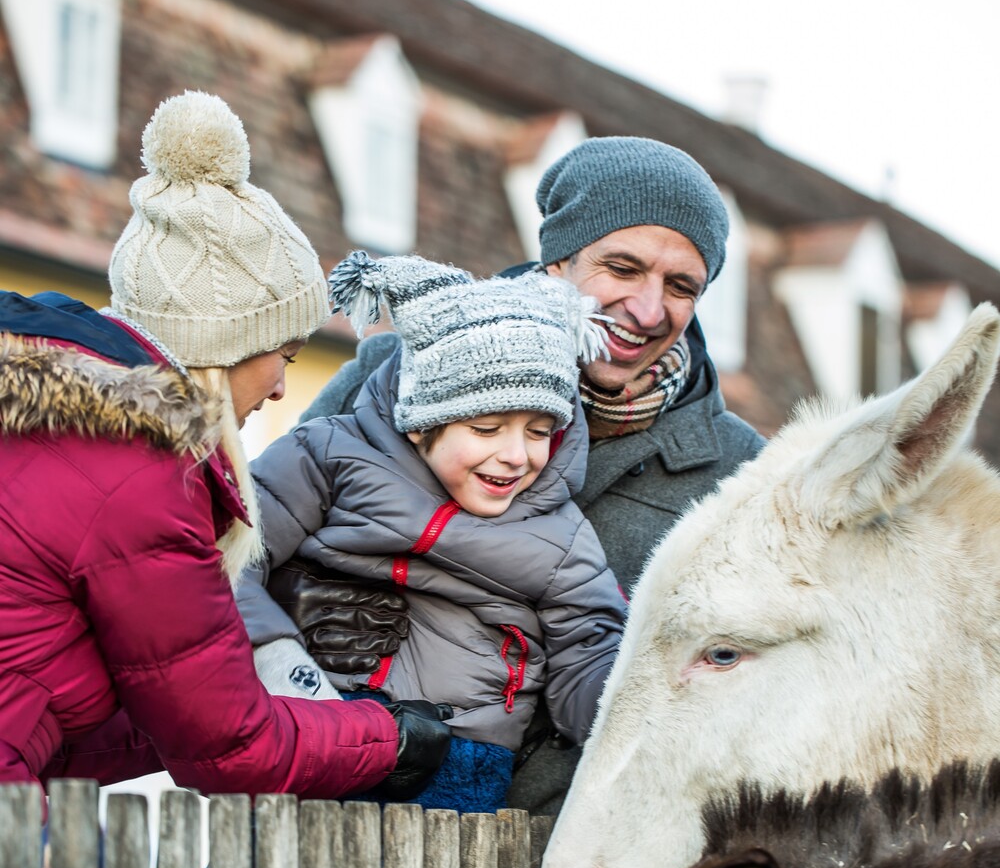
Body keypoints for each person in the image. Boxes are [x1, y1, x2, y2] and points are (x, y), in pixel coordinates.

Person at [0, 90, 450, 802]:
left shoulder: (47, 437)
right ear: (224, 347)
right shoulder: (135, 473)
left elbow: (53, 716)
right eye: (288, 356)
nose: (278, 390)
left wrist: (236, 707)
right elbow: (232, 753)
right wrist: (388, 735)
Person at [295, 136, 766, 814]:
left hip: (566, 860)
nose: (647, 307)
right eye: (623, 267)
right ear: (558, 264)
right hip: (335, 813)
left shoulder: (736, 473)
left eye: (681, 285)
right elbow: (254, 534)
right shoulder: (404, 370)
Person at [237, 250, 627, 813]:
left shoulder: (561, 537)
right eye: (487, 427)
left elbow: (589, 651)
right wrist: (279, 659)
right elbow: (228, 551)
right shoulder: (328, 456)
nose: (516, 456)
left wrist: (633, 696)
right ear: (422, 424)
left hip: (459, 755)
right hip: (313, 718)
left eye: (540, 431)